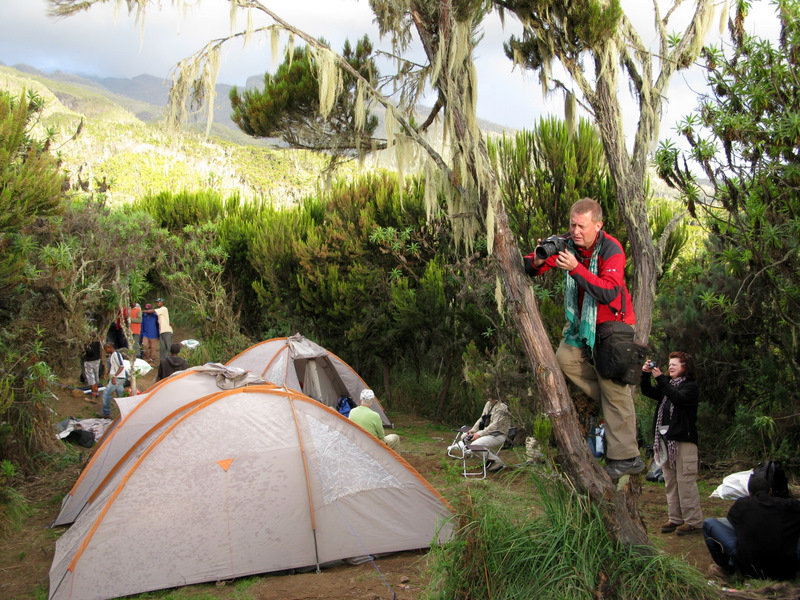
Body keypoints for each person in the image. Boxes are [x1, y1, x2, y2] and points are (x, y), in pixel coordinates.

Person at [524, 197, 642, 479]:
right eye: (572, 225)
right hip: (581, 325)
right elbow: (531, 266)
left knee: (614, 388)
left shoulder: (612, 249)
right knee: (565, 359)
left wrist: (576, 268)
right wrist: (539, 259)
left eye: (582, 226)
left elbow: (609, 292)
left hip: (614, 326)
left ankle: (627, 458)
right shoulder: (567, 243)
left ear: (598, 225)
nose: (575, 231)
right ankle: (614, 404)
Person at [641, 352, 702, 535]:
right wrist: (645, 374)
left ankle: (693, 521)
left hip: (683, 441)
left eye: (675, 364)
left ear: (686, 367)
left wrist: (661, 379)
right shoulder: (667, 385)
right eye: (669, 364)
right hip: (666, 442)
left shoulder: (690, 387)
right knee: (670, 481)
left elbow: (677, 398)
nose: (671, 367)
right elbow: (647, 391)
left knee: (686, 481)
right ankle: (675, 518)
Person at [703, 474, 800, 581]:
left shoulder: (742, 504)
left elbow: (731, 523)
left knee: (709, 523)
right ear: (770, 491)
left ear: (750, 493)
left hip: (748, 568)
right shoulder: (789, 505)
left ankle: (727, 567)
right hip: (786, 569)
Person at [452, 397, 512, 472]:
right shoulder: (488, 404)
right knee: (465, 437)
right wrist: (473, 430)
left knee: (475, 445)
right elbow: (482, 418)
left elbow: (495, 425)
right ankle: (488, 459)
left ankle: (497, 461)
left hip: (498, 434)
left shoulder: (502, 407)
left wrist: (479, 434)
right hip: (487, 432)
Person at [100, 342, 126, 418]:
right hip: (117, 377)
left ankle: (106, 412)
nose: (105, 351)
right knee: (120, 394)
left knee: (106, 392)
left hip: (118, 378)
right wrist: (107, 373)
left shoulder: (116, 354)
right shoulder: (111, 355)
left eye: (106, 349)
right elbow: (113, 366)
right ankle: (124, 411)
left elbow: (121, 366)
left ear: (110, 347)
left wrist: (114, 376)